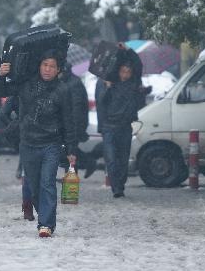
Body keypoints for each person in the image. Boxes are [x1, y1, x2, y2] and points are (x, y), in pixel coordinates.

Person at [0, 51, 77, 238]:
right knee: (34, 185)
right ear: (39, 66)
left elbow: (68, 122)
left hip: (51, 144)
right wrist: (0, 75)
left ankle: (46, 224)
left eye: (52, 66)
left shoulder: (63, 90)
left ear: (58, 70)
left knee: (47, 182)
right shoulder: (26, 85)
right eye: (45, 65)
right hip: (28, 143)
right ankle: (45, 216)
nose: (48, 69)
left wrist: (71, 148)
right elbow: (1, 91)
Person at [95, 44, 151, 198]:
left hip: (125, 128)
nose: (125, 74)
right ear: (118, 71)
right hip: (109, 128)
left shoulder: (133, 85)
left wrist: (128, 50)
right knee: (111, 159)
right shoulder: (108, 84)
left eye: (128, 72)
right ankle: (116, 189)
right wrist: (107, 88)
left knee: (123, 160)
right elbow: (101, 102)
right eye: (123, 71)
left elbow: (138, 65)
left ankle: (120, 183)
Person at [60, 70, 92, 177]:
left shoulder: (74, 84)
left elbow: (77, 109)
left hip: (74, 126)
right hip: (68, 125)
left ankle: (70, 186)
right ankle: (89, 162)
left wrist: (74, 128)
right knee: (68, 152)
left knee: (70, 154)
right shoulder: (65, 82)